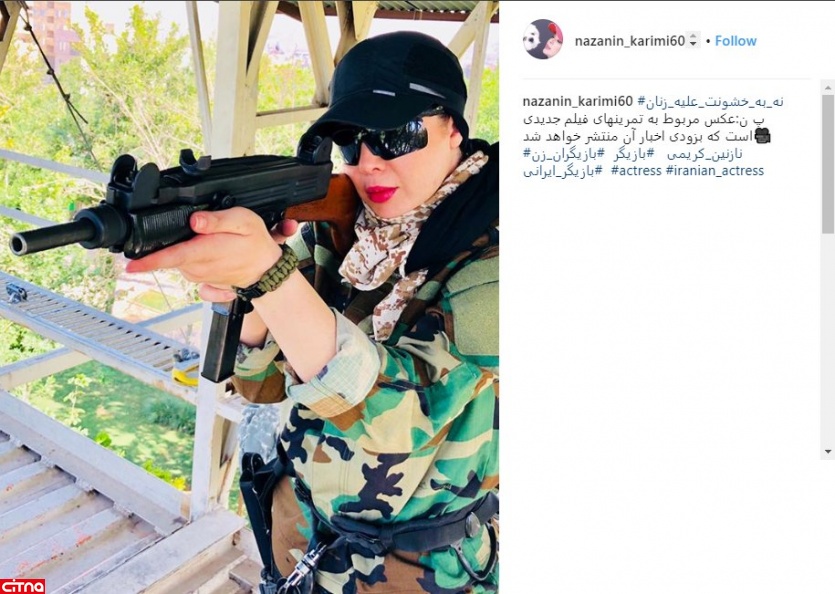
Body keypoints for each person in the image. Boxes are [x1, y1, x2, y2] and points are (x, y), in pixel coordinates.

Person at [127, 30, 499, 594]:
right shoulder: (346, 232)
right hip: (301, 535)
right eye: (352, 143)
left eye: (396, 135)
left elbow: (398, 430)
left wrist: (268, 276)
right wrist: (245, 291)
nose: (369, 163)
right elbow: (262, 384)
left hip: (416, 569)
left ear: (453, 129)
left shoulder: (495, 260)